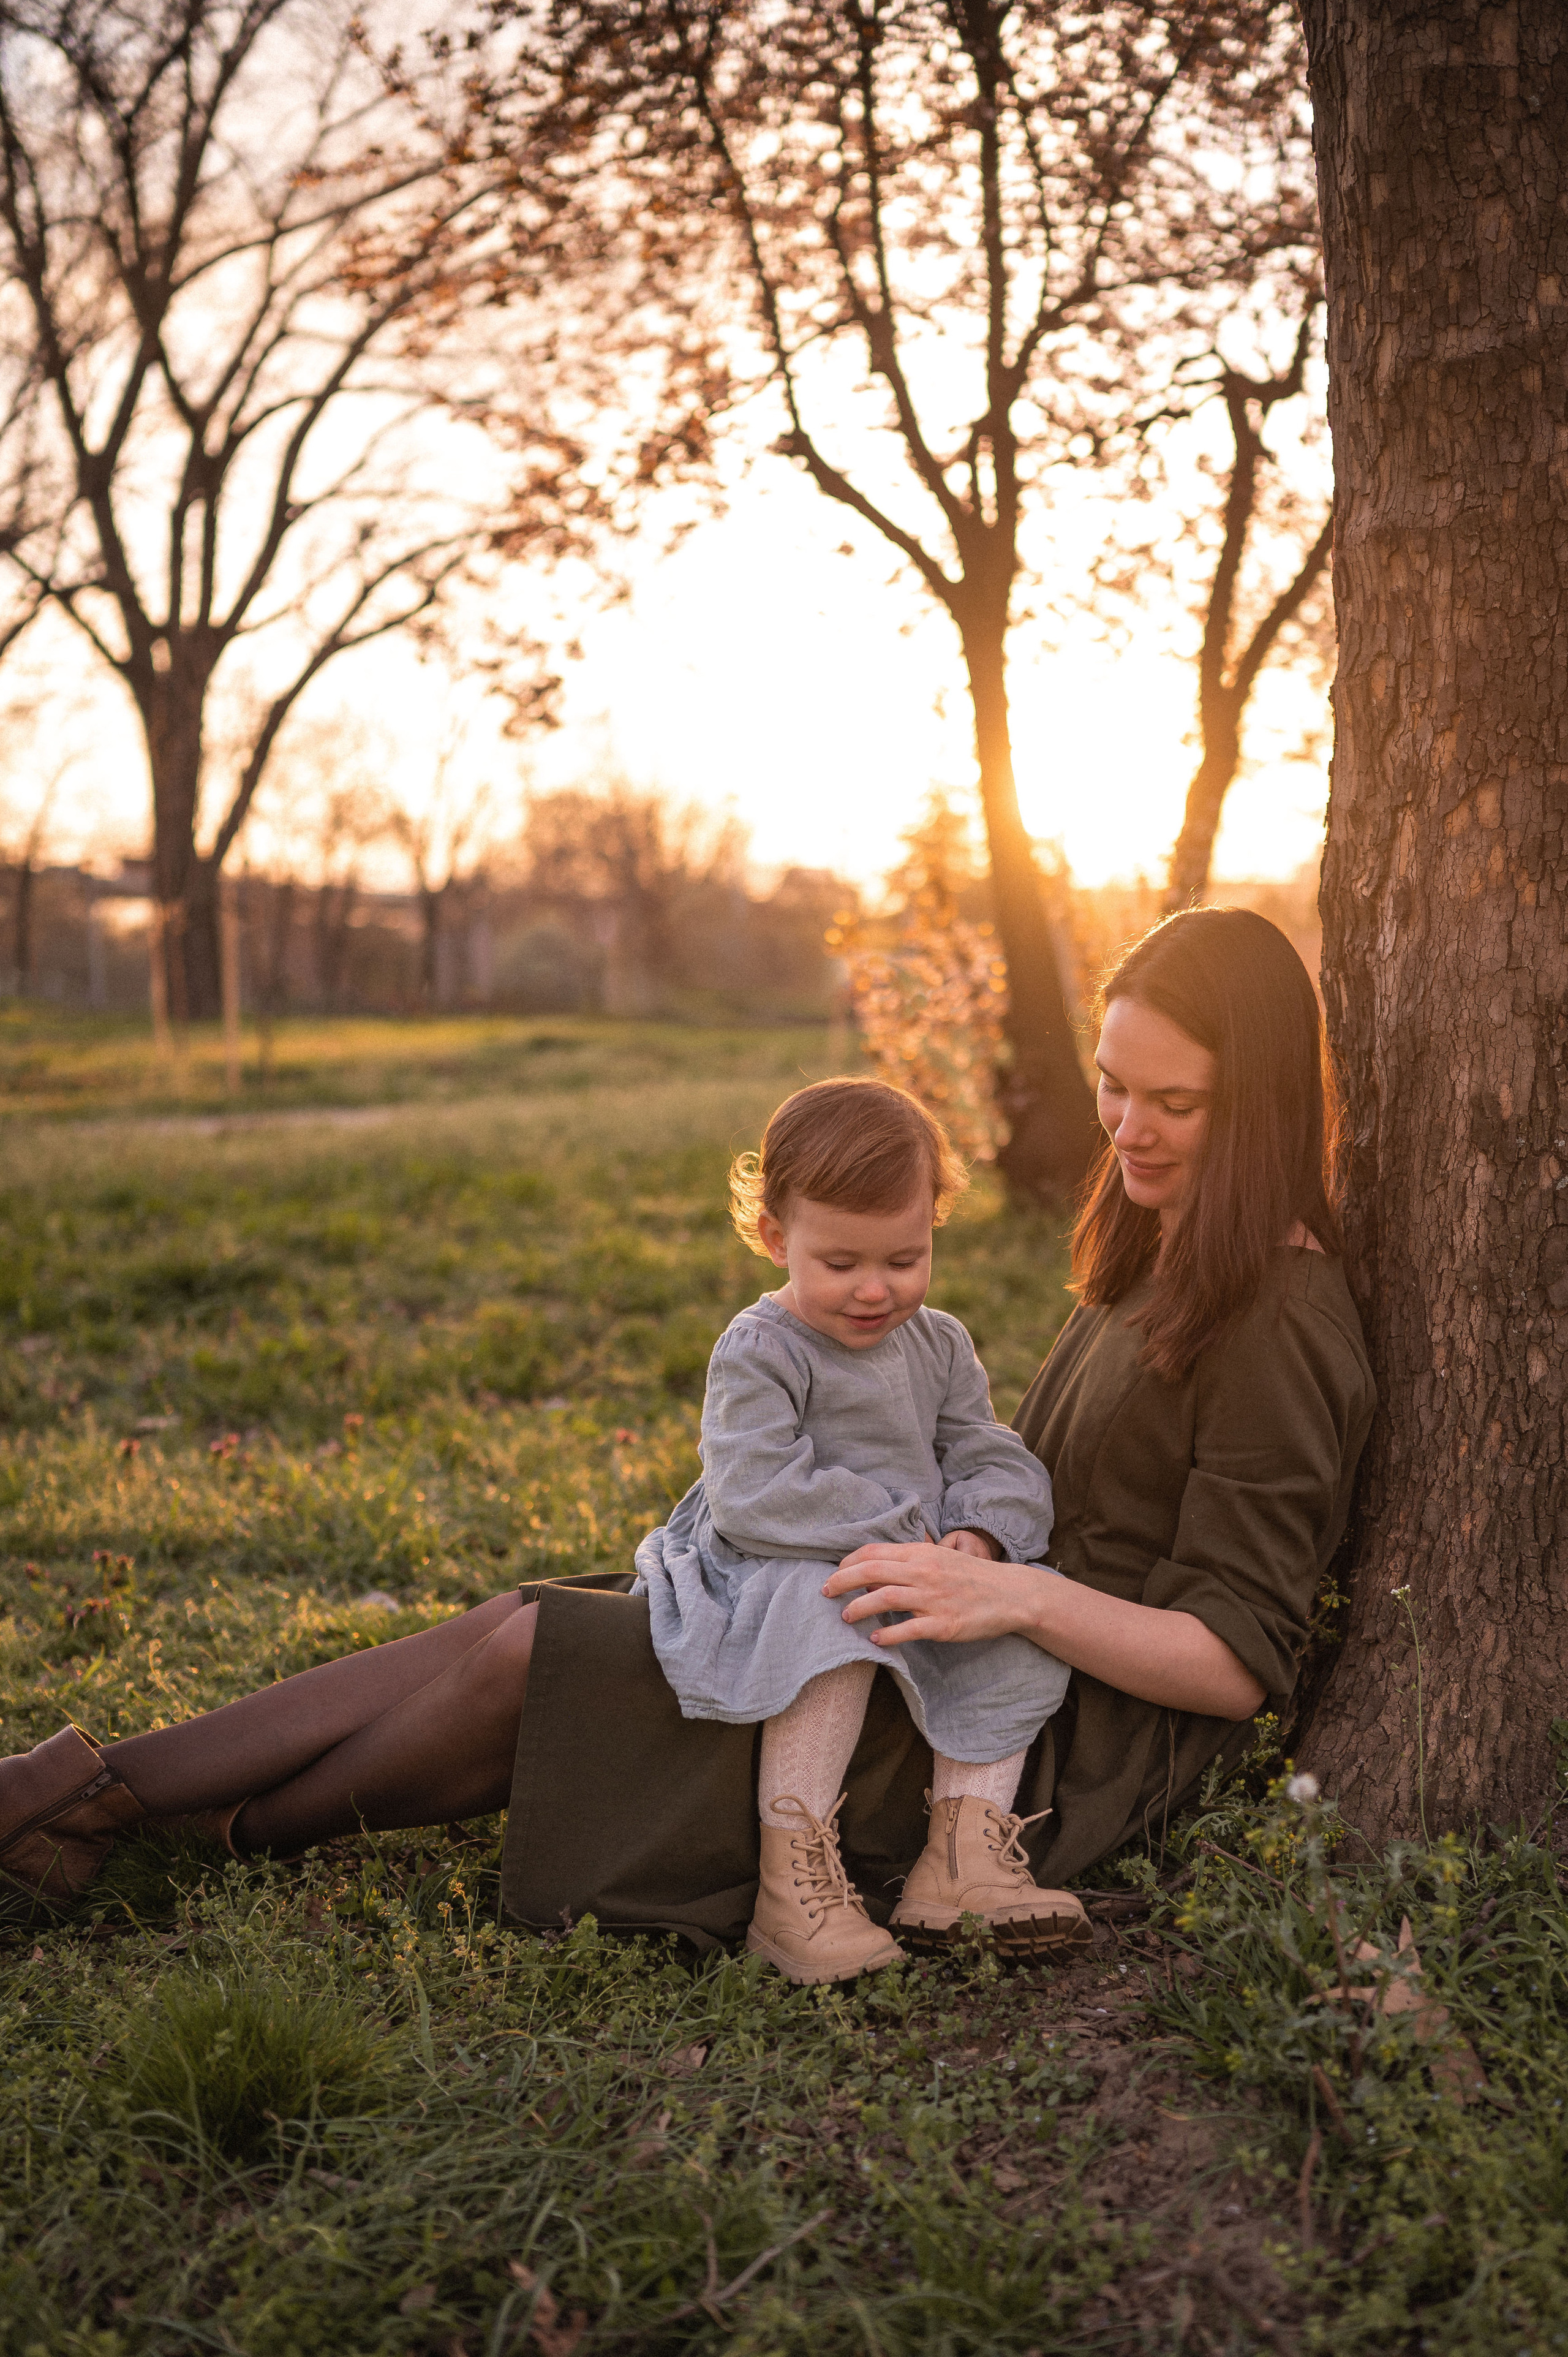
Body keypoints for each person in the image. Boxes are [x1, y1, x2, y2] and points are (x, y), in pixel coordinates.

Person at [0, 907, 1374, 1967]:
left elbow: (1229, 1663)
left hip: (1030, 1739)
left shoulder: (1282, 1314)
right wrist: (950, 1557)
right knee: (519, 1619)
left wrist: (999, 1587)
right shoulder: (1156, 1256)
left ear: (1253, 1098)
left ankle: (178, 1824)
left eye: (1170, 1103)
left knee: (538, 1659)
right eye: (1111, 1085)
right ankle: (96, 1793)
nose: (1124, 1129)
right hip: (938, 1621)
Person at [633, 1080, 1080, 1984]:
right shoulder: (763, 1349)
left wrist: (978, 1539)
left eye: (905, 1259)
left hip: (914, 1562)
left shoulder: (939, 1345)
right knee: (831, 1612)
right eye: (840, 1263)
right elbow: (756, 1490)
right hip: (777, 1562)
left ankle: (963, 1861)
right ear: (774, 1237)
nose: (876, 1290)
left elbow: (988, 1455)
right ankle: (793, 1890)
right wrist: (904, 1535)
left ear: (934, 1226)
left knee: (1019, 1628)